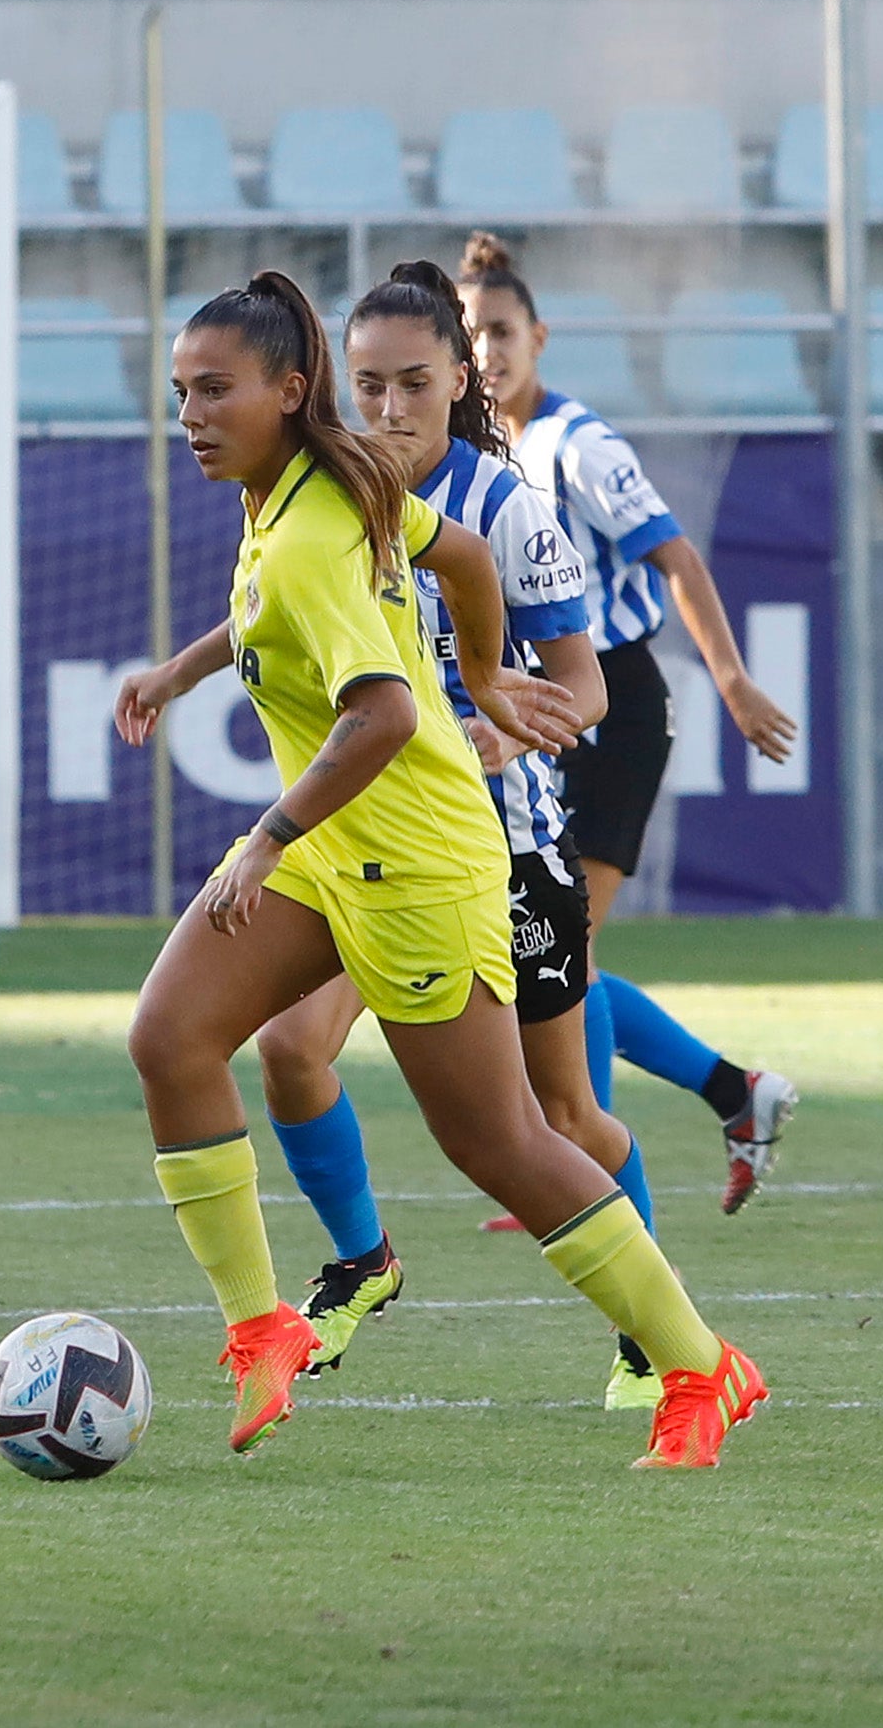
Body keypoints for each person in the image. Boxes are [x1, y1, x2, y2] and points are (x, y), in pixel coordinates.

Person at [114, 268, 766, 1468]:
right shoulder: (323, 482)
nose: (192, 416)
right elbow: (455, 558)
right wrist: (467, 655)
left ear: (283, 392)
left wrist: (269, 837)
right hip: (342, 849)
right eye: (180, 393)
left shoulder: (316, 528)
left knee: (508, 1141)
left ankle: (698, 1364)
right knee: (172, 1038)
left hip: (414, 860)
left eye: (214, 393)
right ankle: (263, 1325)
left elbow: (384, 720)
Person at [253, 260, 663, 1409]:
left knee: (560, 1118)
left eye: (413, 387)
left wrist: (498, 736)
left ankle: (649, 1326)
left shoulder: (510, 508)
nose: (387, 411)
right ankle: (361, 1263)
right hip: (365, 844)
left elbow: (585, 690)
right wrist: (181, 673)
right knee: (289, 1049)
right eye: (368, 386)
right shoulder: (329, 493)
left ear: (457, 383)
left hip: (506, 853)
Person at [458, 232, 799, 1215]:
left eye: (504, 331)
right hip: (545, 703)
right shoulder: (490, 450)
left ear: (540, 336)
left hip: (609, 704)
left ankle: (576, 1149)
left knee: (566, 951)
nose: (489, 351)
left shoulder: (578, 445)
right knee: (559, 952)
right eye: (473, 333)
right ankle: (730, 1094)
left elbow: (676, 559)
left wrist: (730, 679)